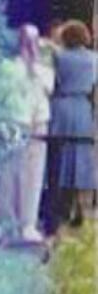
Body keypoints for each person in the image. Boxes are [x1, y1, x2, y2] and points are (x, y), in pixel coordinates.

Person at [0, 24, 54, 244]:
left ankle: (28, 223)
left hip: (38, 125)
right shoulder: (8, 68)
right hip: (14, 122)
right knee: (8, 173)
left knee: (33, 175)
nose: (31, 47)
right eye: (28, 42)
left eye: (35, 42)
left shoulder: (45, 71)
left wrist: (34, 67)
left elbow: (50, 89)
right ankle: (3, 220)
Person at [47, 19, 97, 228]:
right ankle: (78, 206)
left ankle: (57, 208)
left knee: (58, 156)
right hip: (81, 108)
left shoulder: (58, 56)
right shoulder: (94, 59)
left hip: (61, 106)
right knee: (80, 157)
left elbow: (53, 81)